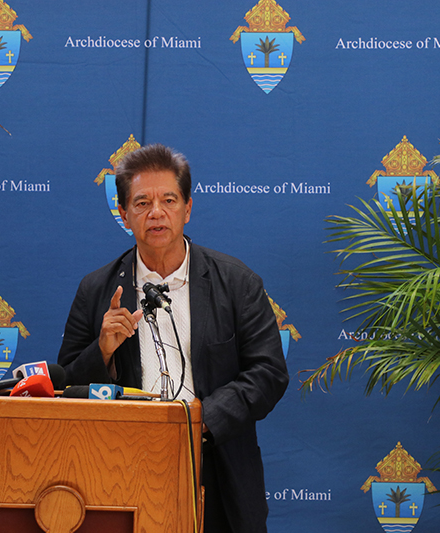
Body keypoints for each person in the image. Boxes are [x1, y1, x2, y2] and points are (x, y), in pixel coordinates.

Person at [57, 143, 289, 533]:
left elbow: (268, 373)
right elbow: (66, 388)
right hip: (120, 466)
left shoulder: (236, 283)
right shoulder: (96, 290)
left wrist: (202, 420)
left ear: (188, 208)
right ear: (124, 215)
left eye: (168, 199)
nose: (157, 213)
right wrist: (103, 351)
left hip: (215, 466)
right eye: (142, 203)